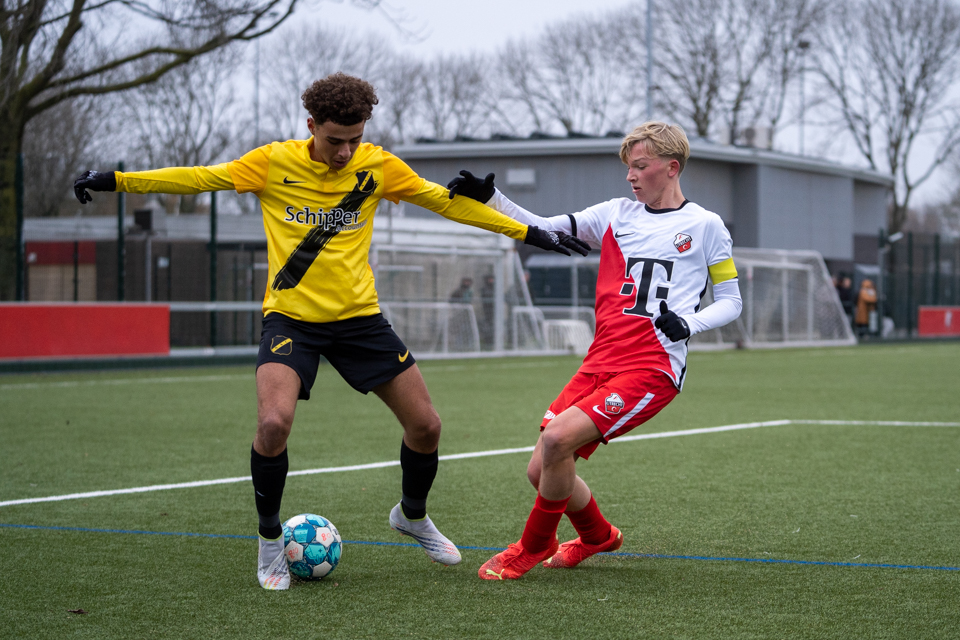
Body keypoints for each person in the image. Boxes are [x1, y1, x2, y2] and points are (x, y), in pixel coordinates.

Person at [73, 72, 589, 591]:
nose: (345, 152)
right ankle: (271, 538)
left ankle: (411, 515)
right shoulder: (272, 162)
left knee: (427, 427)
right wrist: (116, 181)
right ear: (311, 126)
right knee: (274, 424)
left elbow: (445, 202)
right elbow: (197, 177)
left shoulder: (378, 165)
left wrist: (529, 231)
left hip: (360, 320)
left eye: (355, 140)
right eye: (335, 140)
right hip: (291, 320)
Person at [447, 122, 742, 580]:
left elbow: (731, 301)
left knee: (556, 439)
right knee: (540, 468)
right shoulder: (615, 214)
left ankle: (532, 545)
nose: (631, 176)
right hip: (600, 359)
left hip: (652, 367)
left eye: (640, 166)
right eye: (628, 167)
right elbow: (543, 227)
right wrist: (492, 201)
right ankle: (599, 536)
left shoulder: (705, 226)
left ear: (671, 167)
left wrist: (689, 323)